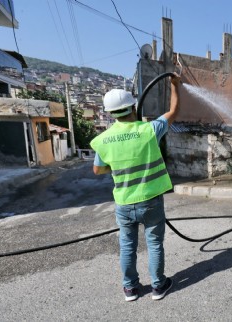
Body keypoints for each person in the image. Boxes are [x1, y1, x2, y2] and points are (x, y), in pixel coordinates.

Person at [90, 77, 180, 302]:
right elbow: (174, 111)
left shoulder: (104, 139)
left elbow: (98, 170)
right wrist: (175, 85)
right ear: (132, 107)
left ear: (111, 113)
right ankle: (158, 287)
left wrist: (118, 164)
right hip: (151, 200)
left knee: (127, 246)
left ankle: (130, 289)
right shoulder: (149, 129)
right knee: (154, 244)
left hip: (124, 203)